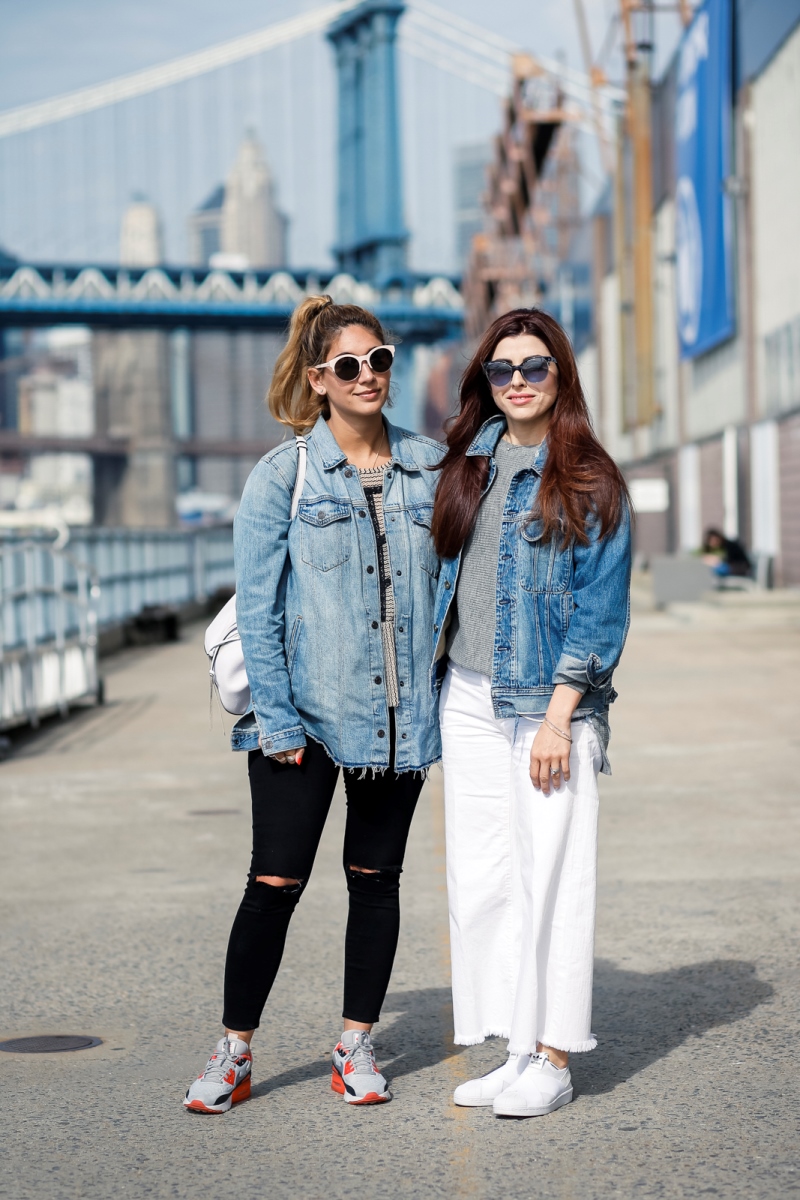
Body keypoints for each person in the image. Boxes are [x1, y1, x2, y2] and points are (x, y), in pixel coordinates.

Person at [184, 296, 444, 1113]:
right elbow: (259, 611)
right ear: (318, 379)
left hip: (398, 720)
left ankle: (354, 1045)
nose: (368, 376)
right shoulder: (282, 475)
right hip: (301, 719)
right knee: (273, 882)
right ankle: (234, 1051)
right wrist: (279, 721)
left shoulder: (432, 467)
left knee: (376, 880)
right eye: (348, 366)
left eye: (380, 360)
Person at [430, 307, 631, 1119]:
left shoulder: (589, 476)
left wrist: (560, 717)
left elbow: (601, 612)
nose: (518, 381)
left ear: (560, 376)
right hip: (467, 697)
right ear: (486, 381)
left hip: (548, 704)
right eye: (502, 369)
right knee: (484, 878)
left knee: (553, 875)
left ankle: (554, 1058)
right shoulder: (467, 465)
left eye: (534, 367)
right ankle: (515, 1047)